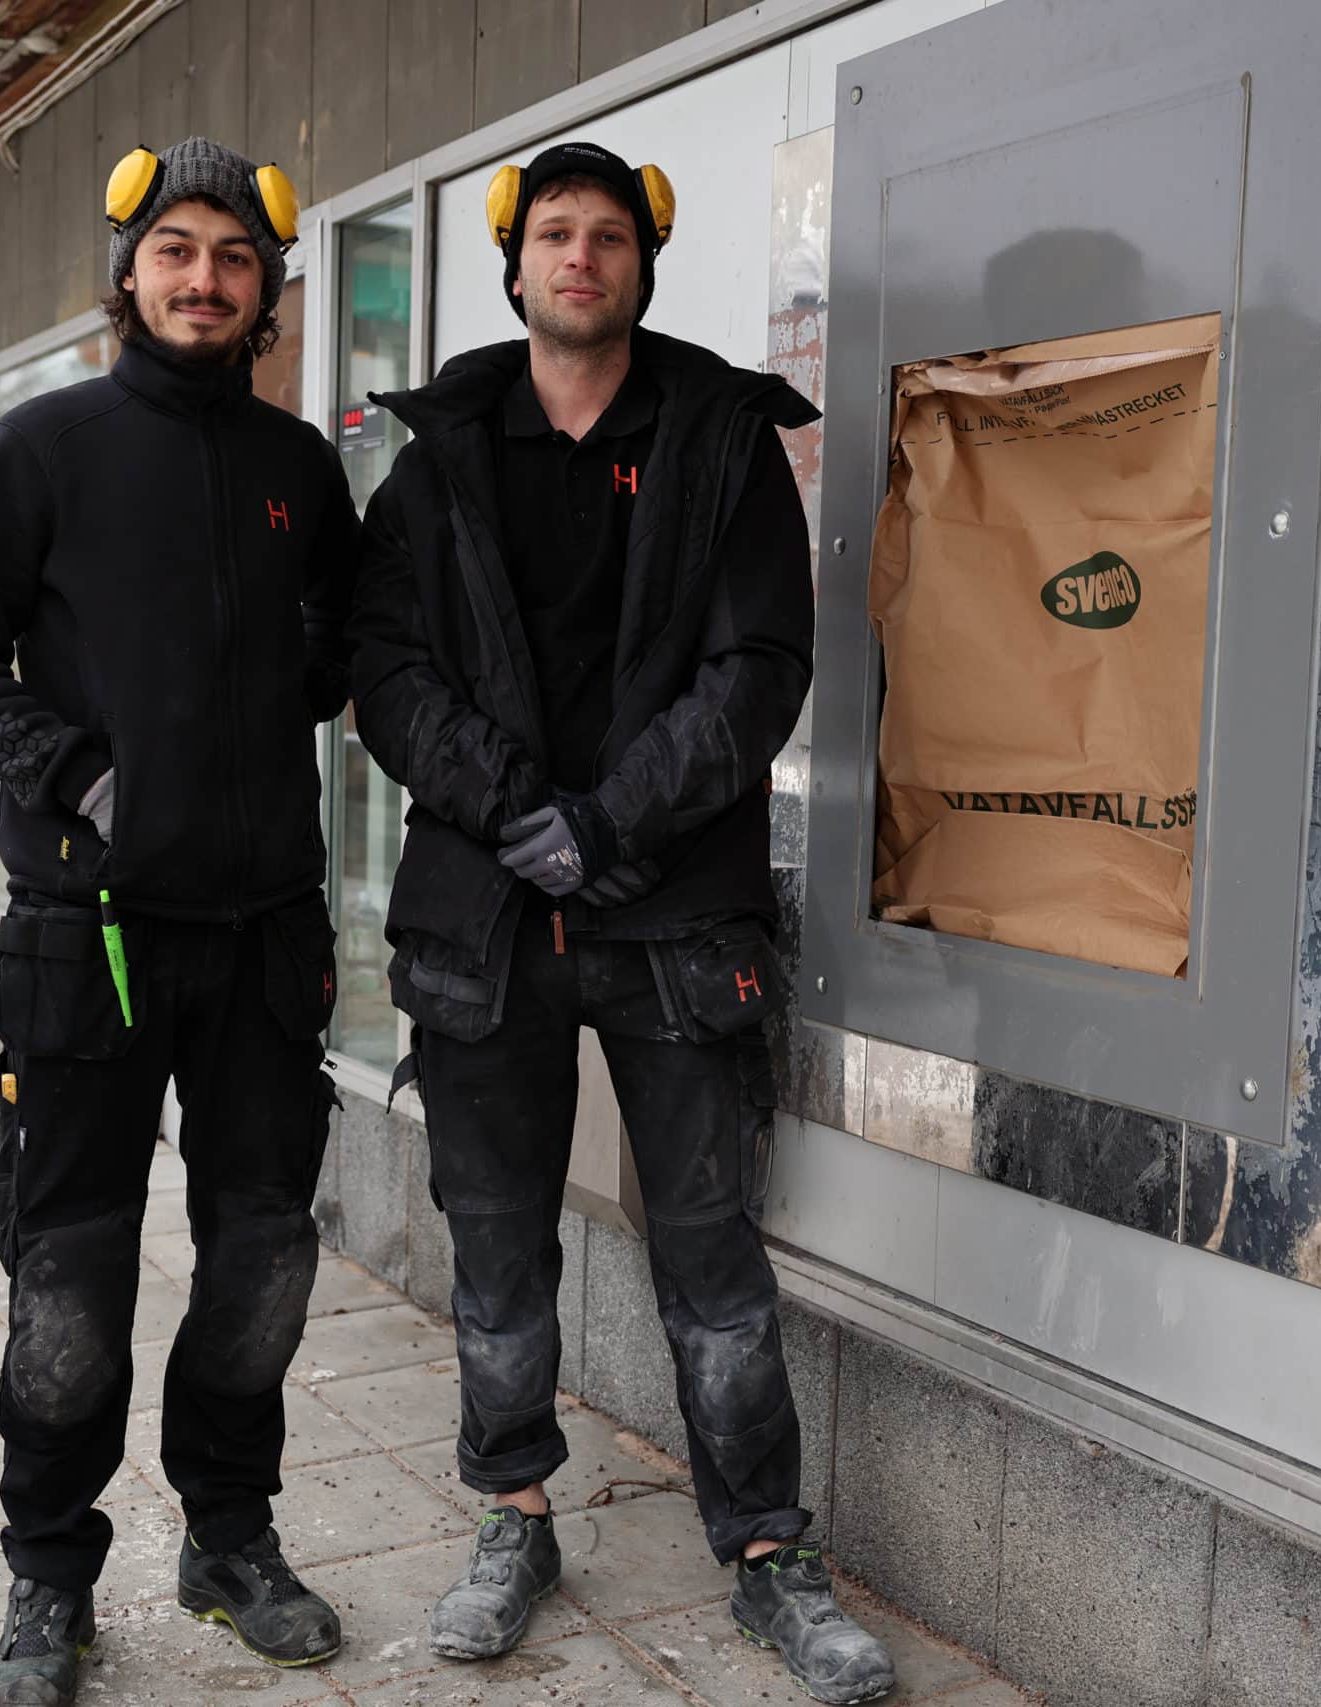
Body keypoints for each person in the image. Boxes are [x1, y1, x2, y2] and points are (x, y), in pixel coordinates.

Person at [349, 140, 897, 1705]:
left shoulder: (719, 443)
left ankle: (769, 1552)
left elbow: (761, 674)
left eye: (607, 238)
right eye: (554, 235)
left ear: (643, 266)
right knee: (500, 1243)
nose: (579, 258)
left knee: (714, 1256)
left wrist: (605, 823)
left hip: (677, 918)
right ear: (513, 265)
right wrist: (513, 805)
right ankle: (513, 1516)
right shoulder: (443, 454)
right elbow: (386, 669)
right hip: (486, 918)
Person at [0, 136, 357, 1707]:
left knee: (264, 1265)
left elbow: (337, 649)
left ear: (266, 290)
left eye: (234, 259)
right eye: (178, 251)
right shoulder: (44, 447)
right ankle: (47, 1575)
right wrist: (75, 765)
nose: (205, 279)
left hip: (265, 941)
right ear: (129, 273)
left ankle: (230, 1538)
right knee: (72, 1283)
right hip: (83, 943)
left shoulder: (303, 470)